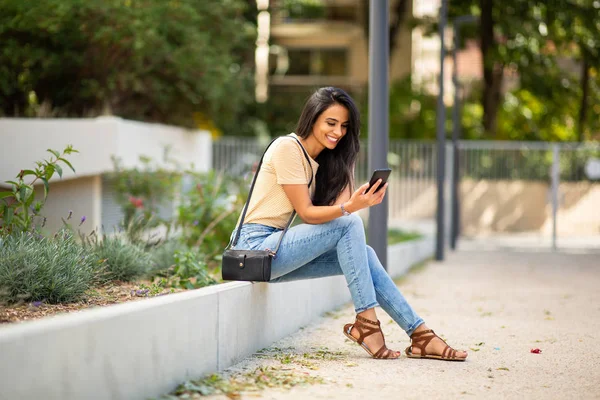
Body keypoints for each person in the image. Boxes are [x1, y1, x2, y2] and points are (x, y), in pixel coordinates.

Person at [231, 87, 467, 361]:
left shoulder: (319, 161)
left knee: (364, 253)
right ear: (312, 119)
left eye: (344, 126)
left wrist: (348, 174)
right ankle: (366, 322)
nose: (338, 132)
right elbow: (309, 214)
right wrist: (351, 208)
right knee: (350, 221)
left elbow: (338, 216)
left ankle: (420, 334)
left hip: (276, 251)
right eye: (330, 123)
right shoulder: (287, 148)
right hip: (254, 248)